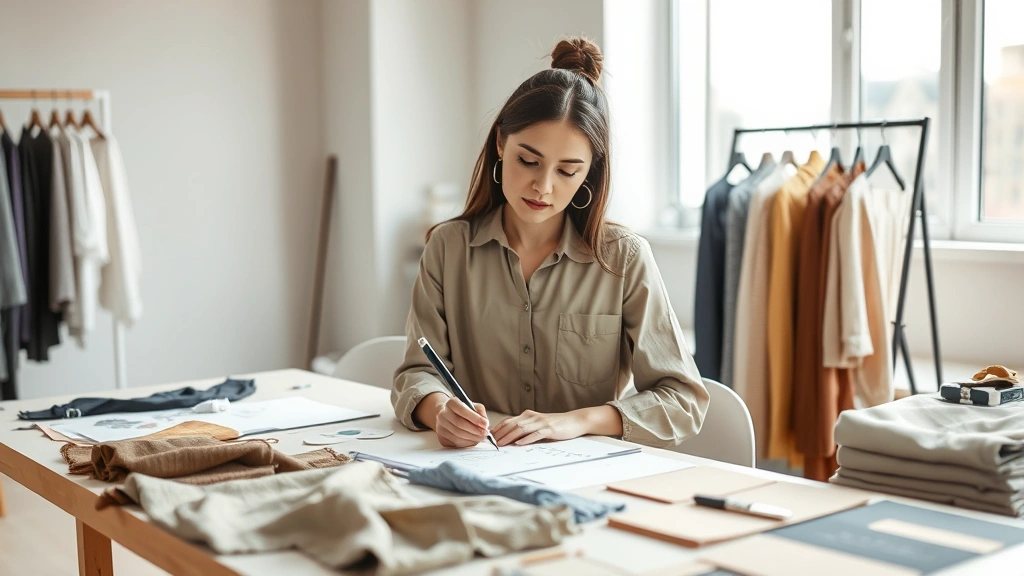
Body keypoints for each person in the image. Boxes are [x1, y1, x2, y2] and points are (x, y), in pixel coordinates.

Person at [391, 37, 708, 450]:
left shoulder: (624, 258)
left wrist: (575, 422)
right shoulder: (447, 248)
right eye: (529, 160)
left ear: (590, 172)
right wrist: (439, 411)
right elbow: (416, 372)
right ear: (501, 144)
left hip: (585, 475)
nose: (543, 186)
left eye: (568, 170)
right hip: (476, 464)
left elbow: (682, 400)